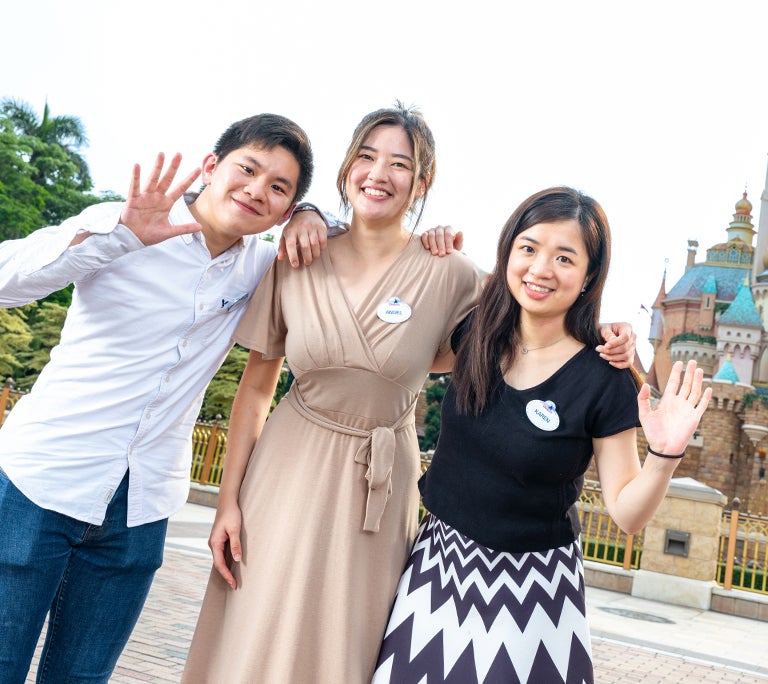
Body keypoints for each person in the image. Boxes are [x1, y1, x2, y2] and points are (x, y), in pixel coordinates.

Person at [181, 107, 636, 683]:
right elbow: (255, 392)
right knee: (257, 619)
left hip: (379, 481)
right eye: (367, 157)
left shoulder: (449, 273)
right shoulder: (297, 253)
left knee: (351, 638)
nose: (379, 173)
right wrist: (228, 502)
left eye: (401, 164)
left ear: (422, 184)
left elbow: (538, 304)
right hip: (286, 468)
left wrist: (613, 338)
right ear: (347, 167)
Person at [0, 113, 348, 683]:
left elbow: (351, 236)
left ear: (285, 210)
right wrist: (119, 237)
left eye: (280, 188)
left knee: (83, 677)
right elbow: (7, 285)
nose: (257, 190)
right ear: (211, 167)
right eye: (248, 169)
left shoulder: (262, 269)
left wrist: (313, 214)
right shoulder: (121, 224)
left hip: (142, 506)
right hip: (41, 480)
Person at [372, 187, 712, 684]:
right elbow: (393, 320)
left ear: (589, 275)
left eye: (564, 257)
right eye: (528, 248)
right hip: (436, 571)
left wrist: (666, 453)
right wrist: (422, 240)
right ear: (508, 251)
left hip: (531, 597)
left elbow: (627, 513)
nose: (540, 269)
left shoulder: (603, 375)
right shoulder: (475, 336)